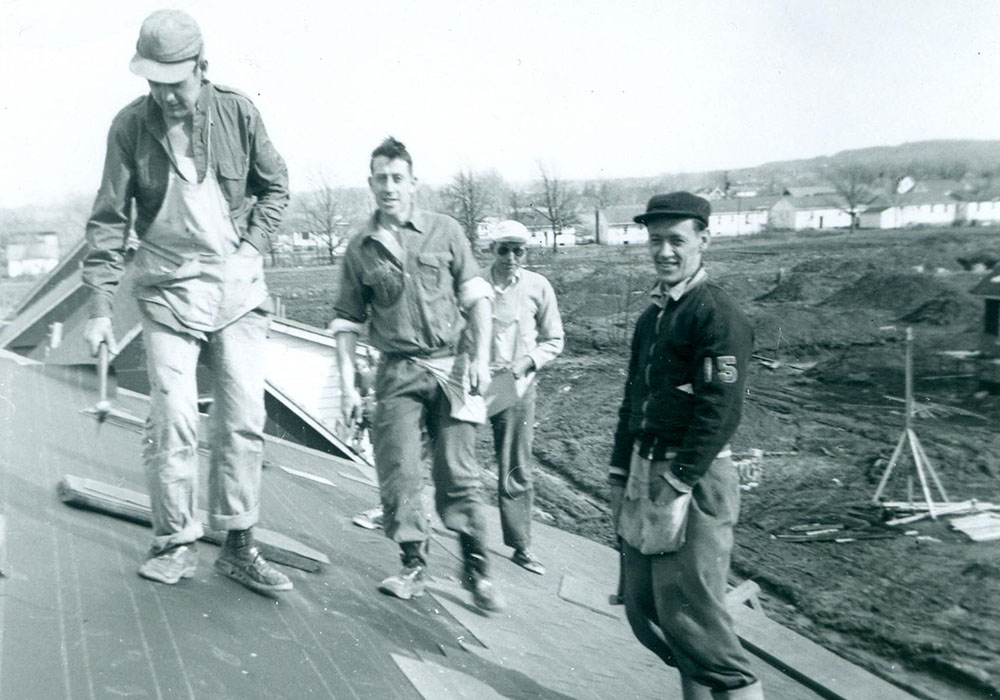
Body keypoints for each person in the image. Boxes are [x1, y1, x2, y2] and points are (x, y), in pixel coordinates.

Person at [81, 10, 292, 595]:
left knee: (244, 417)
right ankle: (173, 541)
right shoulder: (129, 128)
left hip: (236, 288)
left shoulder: (238, 112)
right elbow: (106, 222)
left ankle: (239, 544)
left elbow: (276, 186)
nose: (166, 95)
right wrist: (99, 309)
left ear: (202, 67)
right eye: (154, 83)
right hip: (168, 290)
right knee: (173, 416)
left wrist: (253, 245)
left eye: (176, 82)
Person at [331, 137, 503, 612]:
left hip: (452, 368)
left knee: (458, 473)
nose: (389, 187)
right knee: (401, 473)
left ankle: (477, 569)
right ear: (370, 183)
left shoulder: (444, 231)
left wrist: (482, 357)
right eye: (380, 178)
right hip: (397, 374)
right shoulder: (360, 248)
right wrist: (348, 386)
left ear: (413, 182)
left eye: (397, 178)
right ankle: (413, 566)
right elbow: (346, 324)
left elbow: (478, 299)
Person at [608, 193, 762, 699]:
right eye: (656, 240)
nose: (665, 251)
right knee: (646, 608)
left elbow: (720, 409)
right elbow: (634, 402)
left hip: (694, 481)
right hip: (644, 471)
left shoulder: (714, 313)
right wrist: (618, 475)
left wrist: (679, 481)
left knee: (693, 619)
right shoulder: (652, 319)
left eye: (677, 239)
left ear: (703, 241)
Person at [485, 221, 564, 575]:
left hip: (515, 388)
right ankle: (397, 512)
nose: (512, 257)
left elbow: (554, 339)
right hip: (472, 383)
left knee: (515, 466)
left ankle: (520, 545)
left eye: (519, 250)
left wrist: (527, 362)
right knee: (438, 449)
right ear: (492, 250)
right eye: (504, 249)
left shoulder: (538, 286)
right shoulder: (473, 285)